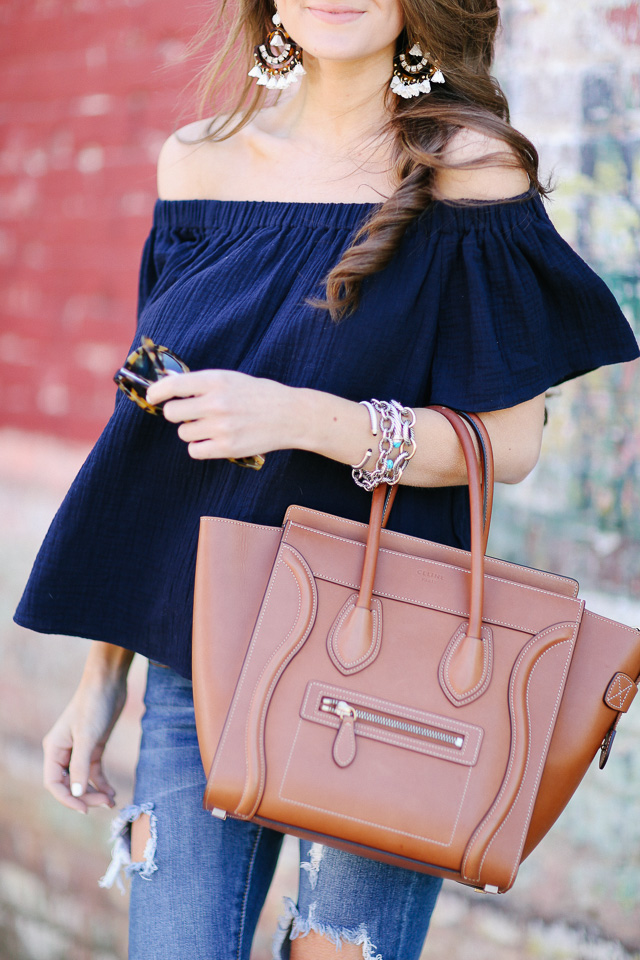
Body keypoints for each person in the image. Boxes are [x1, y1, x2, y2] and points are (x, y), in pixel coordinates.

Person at [14, 0, 639, 958]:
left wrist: (302, 418)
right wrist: (103, 678)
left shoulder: (468, 169)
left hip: (400, 666)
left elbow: (507, 443)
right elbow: (149, 431)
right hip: (198, 651)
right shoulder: (199, 160)